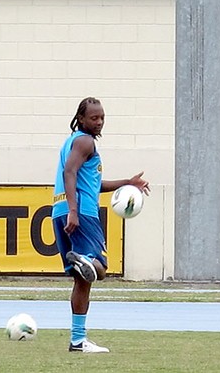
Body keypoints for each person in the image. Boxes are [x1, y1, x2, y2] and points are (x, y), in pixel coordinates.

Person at [52, 97, 150, 353]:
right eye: (94, 118)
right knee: (101, 268)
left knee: (82, 281)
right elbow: (69, 173)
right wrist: (75, 210)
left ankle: (77, 341)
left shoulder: (72, 142)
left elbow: (93, 184)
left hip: (60, 210)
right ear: (81, 119)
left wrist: (127, 182)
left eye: (102, 117)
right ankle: (84, 259)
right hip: (81, 212)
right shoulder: (85, 141)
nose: (99, 122)